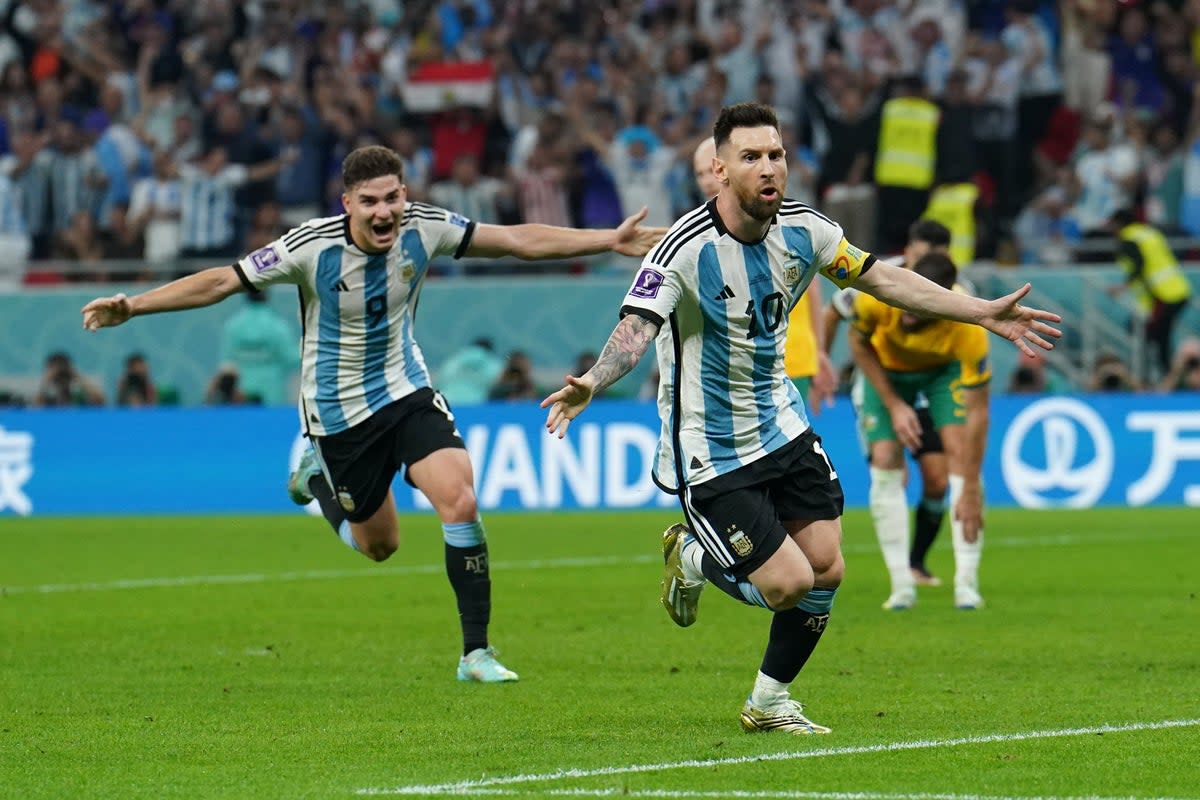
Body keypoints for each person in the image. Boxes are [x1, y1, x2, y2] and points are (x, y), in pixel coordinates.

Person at [541, 103, 1060, 735]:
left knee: (828, 569)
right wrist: (593, 380)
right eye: (751, 157)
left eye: (776, 155)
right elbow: (635, 330)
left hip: (781, 425)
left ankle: (768, 702)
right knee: (786, 582)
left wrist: (977, 311)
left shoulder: (807, 231)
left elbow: (885, 281)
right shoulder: (682, 250)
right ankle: (694, 558)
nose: (769, 169)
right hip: (710, 444)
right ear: (719, 169)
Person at [82, 144, 666, 683]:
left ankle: (475, 652)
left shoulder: (427, 227)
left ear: (404, 195)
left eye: (393, 197)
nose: (384, 211)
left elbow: (517, 238)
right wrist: (133, 305)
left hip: (405, 390)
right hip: (337, 414)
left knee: (459, 498)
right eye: (370, 202)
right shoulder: (308, 247)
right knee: (379, 546)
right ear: (348, 205)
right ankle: (316, 479)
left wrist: (608, 241)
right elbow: (219, 281)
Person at [847, 252, 991, 612]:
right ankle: (901, 586)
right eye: (906, 306)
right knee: (884, 459)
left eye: (920, 309)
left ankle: (967, 585)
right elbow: (858, 342)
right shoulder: (878, 296)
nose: (908, 314)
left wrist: (972, 484)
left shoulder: (967, 324)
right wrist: (895, 405)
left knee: (960, 465)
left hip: (942, 375)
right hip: (885, 373)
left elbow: (979, 411)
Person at [822, 219, 956, 588]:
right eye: (923, 253)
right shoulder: (878, 276)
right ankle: (900, 576)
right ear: (910, 250)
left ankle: (917, 563)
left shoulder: (955, 287)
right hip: (879, 383)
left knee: (937, 480)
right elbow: (833, 312)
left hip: (927, 386)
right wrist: (823, 363)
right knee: (890, 466)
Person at [694, 137, 835, 413]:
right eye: (699, 174)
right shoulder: (697, 236)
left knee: (788, 446)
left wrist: (818, 352)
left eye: (711, 170)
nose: (706, 180)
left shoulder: (781, 220)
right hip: (737, 366)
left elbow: (812, 289)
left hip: (791, 356)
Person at [1106, 209, 1193, 377]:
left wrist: (1122, 287)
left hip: (1162, 296)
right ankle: (1169, 376)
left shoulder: (1128, 239)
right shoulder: (1149, 232)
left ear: (1119, 224)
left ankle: (1162, 377)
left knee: (1149, 334)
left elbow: (1140, 265)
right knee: (1159, 337)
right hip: (1178, 290)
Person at [220, 290, 299, 406]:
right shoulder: (277, 325)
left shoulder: (233, 325)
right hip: (272, 395)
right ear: (267, 295)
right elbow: (292, 359)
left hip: (241, 395)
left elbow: (227, 364)